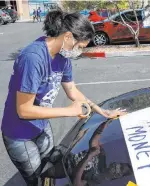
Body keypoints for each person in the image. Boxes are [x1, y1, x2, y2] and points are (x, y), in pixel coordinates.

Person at [1, 10, 126, 186]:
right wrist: (69, 111)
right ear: (68, 36)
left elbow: (72, 90)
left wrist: (101, 111)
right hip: (19, 134)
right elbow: (23, 110)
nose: (79, 52)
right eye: (80, 47)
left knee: (49, 167)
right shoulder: (33, 58)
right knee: (36, 178)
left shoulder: (63, 57)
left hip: (42, 125)